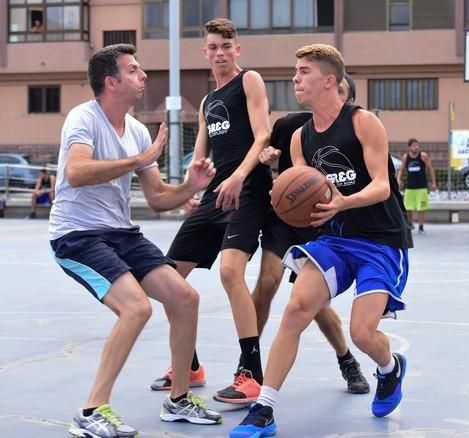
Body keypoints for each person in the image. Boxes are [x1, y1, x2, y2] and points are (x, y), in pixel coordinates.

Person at [230, 43, 412, 438]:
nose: (295, 78)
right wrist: (280, 185)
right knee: (296, 310)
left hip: (380, 241)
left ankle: (389, 368)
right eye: (296, 71)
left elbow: (382, 185)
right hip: (333, 238)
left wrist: (344, 201)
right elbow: (302, 192)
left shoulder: (364, 123)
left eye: (304, 71)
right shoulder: (299, 139)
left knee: (363, 333)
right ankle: (264, 409)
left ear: (330, 80)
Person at [49, 44, 221, 438]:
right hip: (77, 235)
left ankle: (178, 399)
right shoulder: (84, 119)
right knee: (136, 309)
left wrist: (189, 188)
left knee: (185, 298)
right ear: (111, 82)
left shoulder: (139, 129)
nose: (143, 75)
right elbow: (76, 173)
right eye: (133, 70)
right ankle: (91, 410)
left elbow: (159, 198)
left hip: (120, 233)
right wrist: (138, 158)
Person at [149, 18, 272, 405]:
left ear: (237, 49)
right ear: (205, 53)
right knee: (168, 280)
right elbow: (200, 153)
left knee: (230, 271)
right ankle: (190, 366)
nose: (220, 53)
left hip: (248, 191)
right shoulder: (206, 102)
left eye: (226, 46)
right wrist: (191, 188)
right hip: (214, 197)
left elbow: (264, 134)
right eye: (213, 47)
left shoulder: (249, 80)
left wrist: (237, 176)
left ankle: (250, 372)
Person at [253, 73, 370, 394]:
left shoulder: (358, 132)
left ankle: (347, 359)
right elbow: (265, 157)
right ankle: (248, 366)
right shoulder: (291, 126)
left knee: (313, 304)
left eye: (344, 93)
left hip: (322, 223)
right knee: (266, 283)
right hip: (286, 218)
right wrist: (269, 161)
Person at [396, 138, 436, 234]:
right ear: (409, 147)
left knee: (421, 208)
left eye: (417, 145)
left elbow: (430, 169)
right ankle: (410, 223)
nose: (416, 147)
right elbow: (401, 170)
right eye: (414, 146)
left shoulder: (423, 156)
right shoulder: (406, 157)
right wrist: (398, 180)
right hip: (410, 186)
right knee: (408, 207)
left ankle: (421, 226)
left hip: (421, 186)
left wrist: (433, 182)